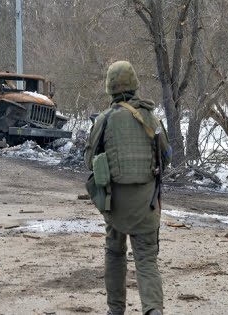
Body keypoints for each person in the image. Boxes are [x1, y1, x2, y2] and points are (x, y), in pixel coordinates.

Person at [84, 61, 172, 315]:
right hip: (147, 204)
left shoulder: (105, 119)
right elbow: (167, 156)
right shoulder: (150, 117)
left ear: (110, 88)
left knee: (114, 253)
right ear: (135, 85)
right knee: (146, 260)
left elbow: (90, 161)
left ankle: (116, 310)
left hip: (115, 203)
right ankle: (153, 310)